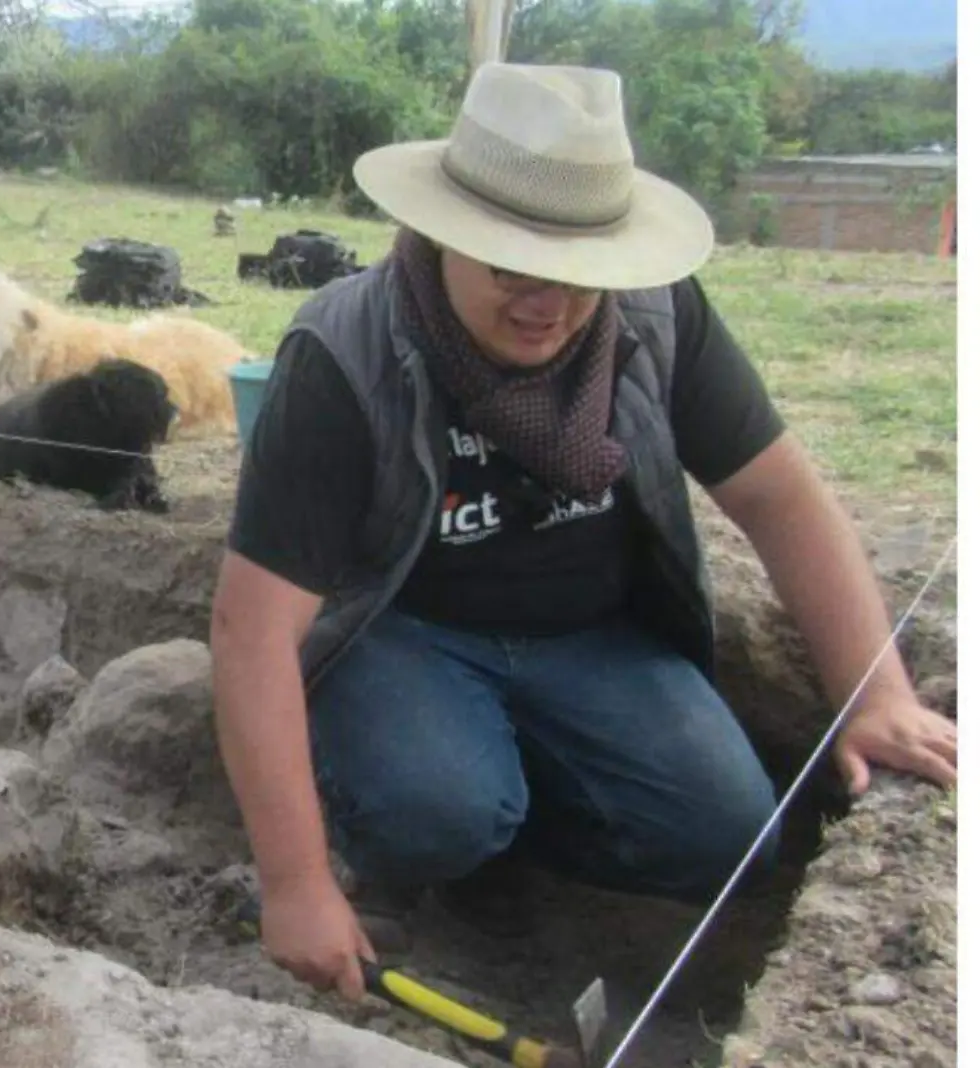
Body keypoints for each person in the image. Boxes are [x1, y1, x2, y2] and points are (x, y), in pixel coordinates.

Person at [210, 63, 957, 1005]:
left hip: (595, 638)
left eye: (576, 274)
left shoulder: (657, 318)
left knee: (728, 836)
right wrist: (296, 884)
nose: (546, 304)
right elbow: (250, 630)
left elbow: (781, 498)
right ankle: (437, 832)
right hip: (405, 639)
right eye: (511, 266)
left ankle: (510, 838)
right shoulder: (347, 354)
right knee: (435, 812)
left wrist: (875, 694)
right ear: (443, 236)